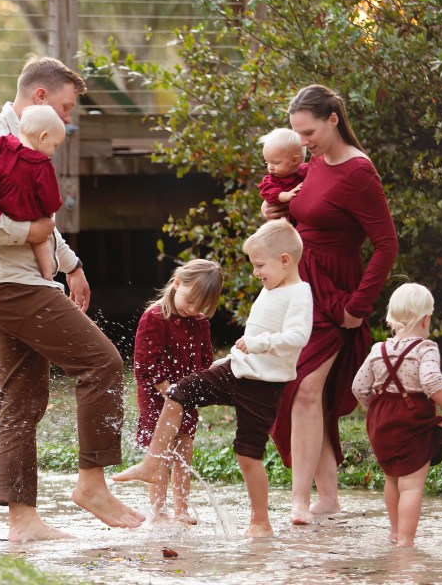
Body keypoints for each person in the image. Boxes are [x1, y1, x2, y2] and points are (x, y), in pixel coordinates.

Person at [0, 55, 145, 542]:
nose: (69, 119)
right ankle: (92, 484)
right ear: (40, 97)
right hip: (10, 286)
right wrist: (24, 233)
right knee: (102, 363)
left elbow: (42, 219)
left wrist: (72, 265)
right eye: (67, 107)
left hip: (23, 284)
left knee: (20, 403)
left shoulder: (33, 140)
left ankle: (23, 522)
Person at [114, 220, 312, 538]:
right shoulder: (271, 288)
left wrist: (255, 345)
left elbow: (296, 335)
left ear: (285, 261)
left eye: (260, 265)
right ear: (177, 284)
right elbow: (147, 363)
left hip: (261, 383)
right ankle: (155, 479)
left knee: (245, 453)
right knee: (179, 396)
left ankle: (254, 521)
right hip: (230, 371)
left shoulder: (298, 293)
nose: (257, 272)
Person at [263, 84, 399, 526]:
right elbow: (307, 221)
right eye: (298, 134)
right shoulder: (315, 165)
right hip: (300, 288)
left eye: (309, 131)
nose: (303, 142)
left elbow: (386, 244)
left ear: (333, 119)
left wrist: (359, 306)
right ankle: (328, 498)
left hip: (335, 292)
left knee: (304, 388)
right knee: (302, 392)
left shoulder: (359, 172)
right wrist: (277, 219)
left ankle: (299, 501)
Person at [352, 282, 442, 548]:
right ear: (426, 319)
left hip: (381, 422)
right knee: (411, 485)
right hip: (412, 421)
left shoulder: (379, 350)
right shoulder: (425, 348)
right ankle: (406, 541)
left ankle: (394, 530)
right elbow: (432, 380)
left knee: (392, 478)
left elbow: (359, 387)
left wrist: (375, 409)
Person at [132, 259, 223, 525]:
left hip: (186, 396)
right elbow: (145, 364)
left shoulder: (199, 322)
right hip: (156, 396)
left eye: (201, 306)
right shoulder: (155, 317)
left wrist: (197, 388)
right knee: (161, 451)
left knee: (184, 448)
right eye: (190, 300)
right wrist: (170, 394)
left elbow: (205, 360)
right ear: (177, 283)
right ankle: (158, 510)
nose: (193, 309)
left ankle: (182, 507)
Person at [0, 105, 67, 281]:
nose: (53, 150)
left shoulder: (4, 144)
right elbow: (50, 198)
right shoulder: (43, 166)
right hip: (26, 213)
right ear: (43, 136)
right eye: (54, 145)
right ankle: (47, 274)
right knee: (40, 239)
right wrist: (50, 211)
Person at [256, 127, 308, 209]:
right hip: (284, 219)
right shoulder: (270, 180)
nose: (270, 168)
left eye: (275, 163)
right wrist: (286, 195)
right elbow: (269, 192)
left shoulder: (306, 171)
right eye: (267, 162)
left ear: (294, 160)